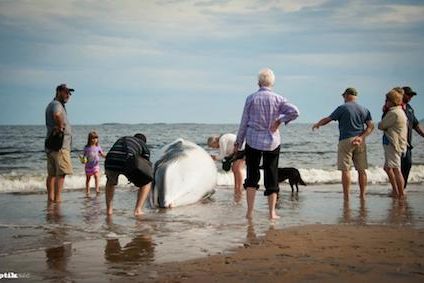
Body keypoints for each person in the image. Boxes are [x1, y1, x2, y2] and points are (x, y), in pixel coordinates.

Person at [234, 68, 299, 220]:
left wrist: (238, 142)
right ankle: (272, 213)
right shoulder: (278, 99)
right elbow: (295, 112)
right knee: (271, 175)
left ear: (258, 82)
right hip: (272, 142)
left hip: (253, 140)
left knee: (252, 175)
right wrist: (279, 120)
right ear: (272, 82)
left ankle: (249, 212)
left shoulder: (251, 98)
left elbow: (244, 122)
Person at [312, 87, 374, 200]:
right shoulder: (364, 109)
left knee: (345, 170)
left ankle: (346, 196)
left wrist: (318, 124)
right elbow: (370, 126)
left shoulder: (342, 108)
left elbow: (329, 119)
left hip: (346, 140)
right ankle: (362, 195)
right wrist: (361, 137)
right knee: (361, 170)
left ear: (346, 95)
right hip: (360, 140)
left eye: (343, 96)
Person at [104, 133, 152, 216]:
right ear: (144, 142)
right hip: (127, 159)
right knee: (147, 182)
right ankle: (138, 210)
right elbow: (146, 167)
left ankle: (109, 210)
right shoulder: (143, 145)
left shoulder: (124, 138)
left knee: (110, 182)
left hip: (110, 160)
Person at [45, 83, 74, 203]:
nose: (68, 95)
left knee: (52, 174)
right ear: (58, 92)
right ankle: (57, 200)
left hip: (51, 145)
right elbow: (57, 114)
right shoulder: (56, 104)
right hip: (60, 145)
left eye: (69, 93)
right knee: (61, 173)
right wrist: (61, 126)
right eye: (66, 92)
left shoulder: (52, 104)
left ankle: (50, 199)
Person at [378, 88, 408, 198]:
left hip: (393, 143)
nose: (385, 102)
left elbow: (381, 125)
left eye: (387, 100)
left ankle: (400, 193)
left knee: (396, 169)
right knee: (388, 168)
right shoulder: (399, 111)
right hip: (394, 143)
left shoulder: (393, 113)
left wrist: (384, 111)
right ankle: (396, 190)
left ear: (392, 101)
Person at [207, 134, 245, 203]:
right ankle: (237, 187)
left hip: (242, 149)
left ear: (214, 141)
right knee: (235, 169)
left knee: (237, 169)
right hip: (240, 149)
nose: (214, 148)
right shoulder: (223, 138)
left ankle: (239, 188)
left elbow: (222, 156)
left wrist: (213, 157)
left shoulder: (222, 140)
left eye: (213, 146)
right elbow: (227, 153)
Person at [401, 86, 424, 188]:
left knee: (408, 165)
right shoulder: (395, 107)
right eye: (409, 94)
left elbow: (416, 125)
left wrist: (423, 135)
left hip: (408, 144)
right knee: (397, 168)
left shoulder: (410, 109)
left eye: (412, 95)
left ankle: (403, 187)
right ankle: (397, 189)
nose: (410, 97)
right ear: (402, 94)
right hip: (398, 144)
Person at [81, 131, 106, 195]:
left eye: (96, 138)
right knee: (88, 179)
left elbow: (102, 154)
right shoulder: (86, 147)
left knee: (96, 176)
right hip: (88, 166)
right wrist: (83, 160)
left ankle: (97, 189)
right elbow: (84, 156)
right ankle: (87, 191)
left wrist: (107, 157)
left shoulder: (98, 147)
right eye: (93, 138)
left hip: (96, 165)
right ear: (89, 139)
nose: (94, 140)